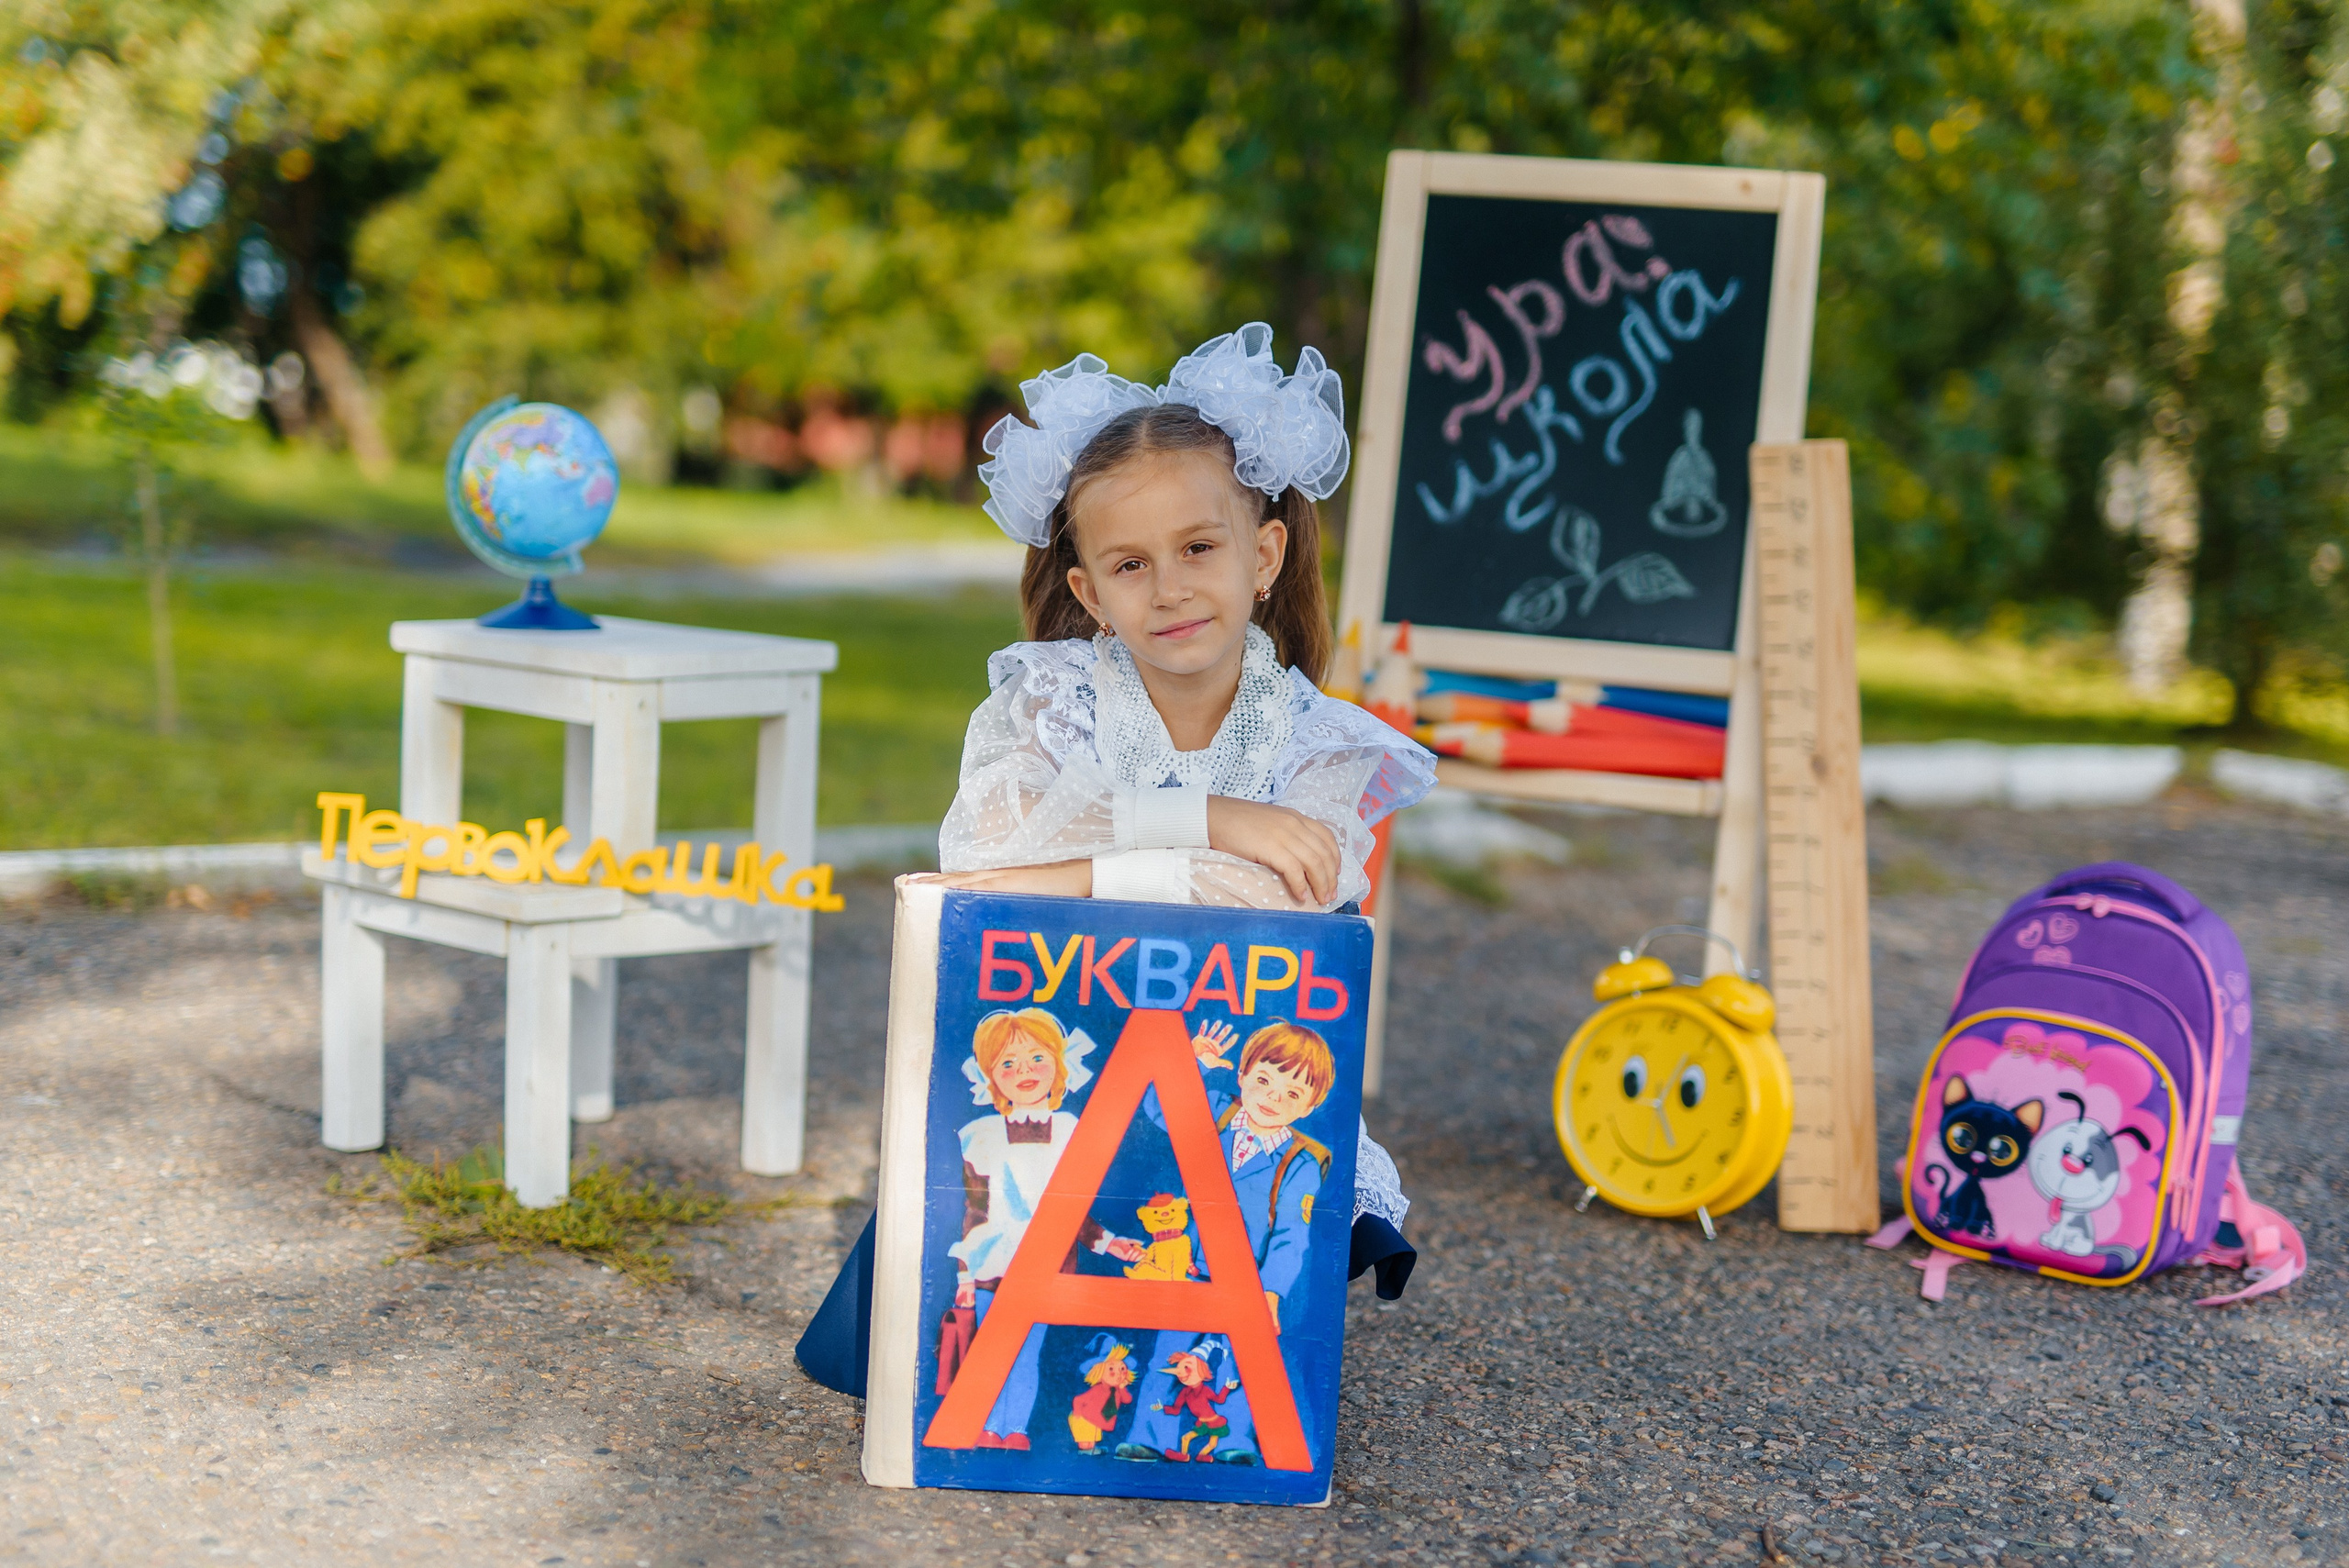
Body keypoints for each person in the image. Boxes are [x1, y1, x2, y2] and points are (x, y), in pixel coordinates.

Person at [932, 321, 1437, 914]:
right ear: (1092, 596)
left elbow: (1295, 895)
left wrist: (1077, 878)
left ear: (1264, 557)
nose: (1169, 591)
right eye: (1130, 565)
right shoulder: (1057, 698)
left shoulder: (1320, 742)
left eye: (1198, 548)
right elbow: (987, 837)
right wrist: (1210, 819)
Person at [946, 1006, 1145, 1449]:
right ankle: (984, 1424)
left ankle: (1014, 1428)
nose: (1025, 1071)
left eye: (1037, 1058)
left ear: (1059, 1063)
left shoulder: (1071, 1130)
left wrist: (1109, 1243)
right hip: (992, 1263)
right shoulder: (982, 1134)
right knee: (990, 1350)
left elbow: (1072, 1208)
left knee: (1027, 1352)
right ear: (990, 1076)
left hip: (1046, 1264)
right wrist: (964, 1275)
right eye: (1008, 1063)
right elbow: (975, 1208)